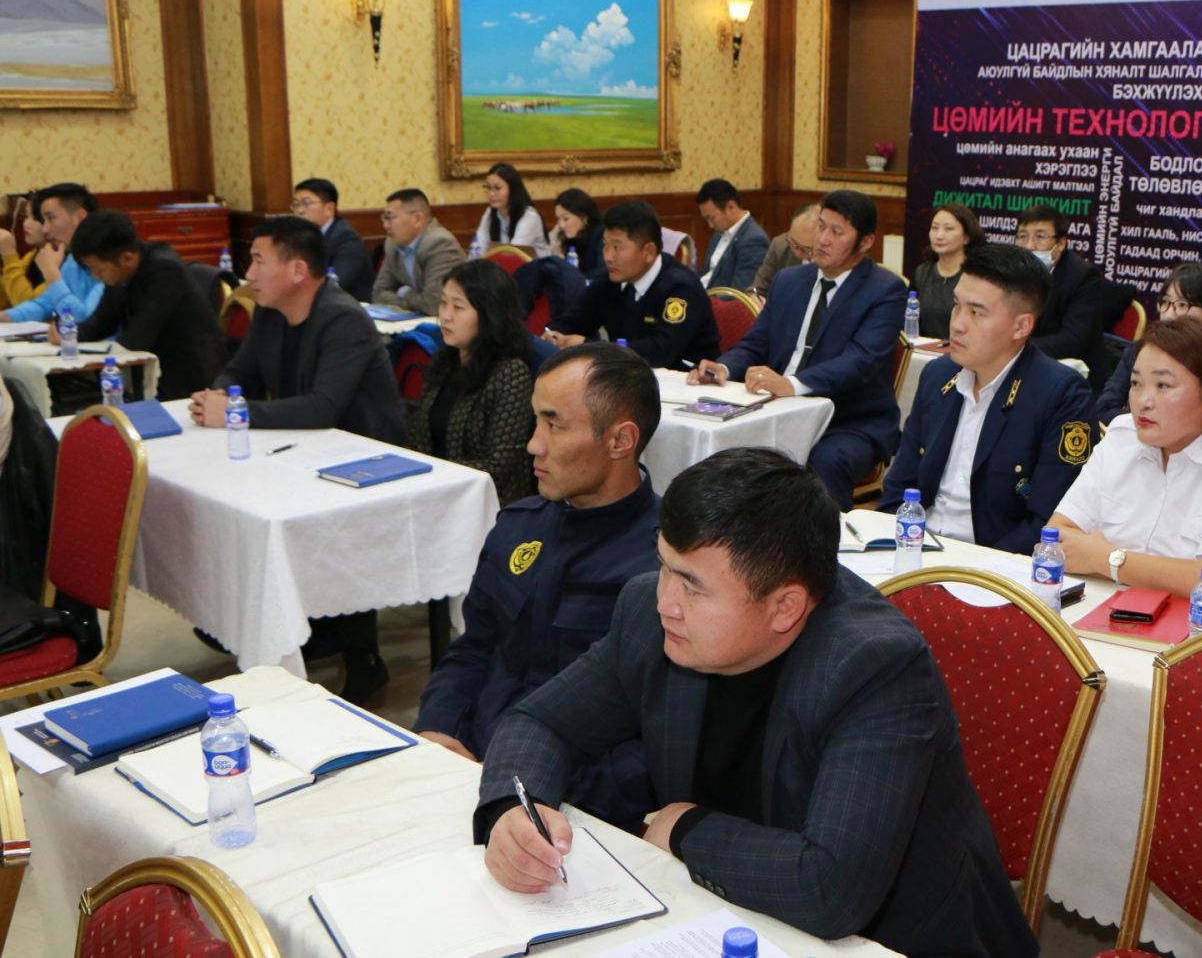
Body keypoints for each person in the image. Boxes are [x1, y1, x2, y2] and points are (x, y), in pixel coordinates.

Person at [475, 448, 1037, 957]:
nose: (666, 600)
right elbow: (541, 722)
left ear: (785, 607)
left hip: (896, 940)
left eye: (692, 586)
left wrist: (687, 829)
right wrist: (514, 812)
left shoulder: (875, 666)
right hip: (726, 915)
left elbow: (831, 889)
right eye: (664, 564)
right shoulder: (651, 615)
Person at [416, 345, 662, 823]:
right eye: (536, 421)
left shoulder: (663, 566)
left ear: (620, 440)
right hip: (466, 763)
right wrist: (437, 729)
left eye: (554, 425)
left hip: (571, 805)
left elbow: (651, 735)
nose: (533, 445)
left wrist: (524, 785)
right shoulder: (519, 526)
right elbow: (473, 649)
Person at [189, 216, 405, 703]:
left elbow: (324, 407)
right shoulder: (270, 311)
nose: (248, 274)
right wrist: (219, 395)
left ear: (297, 270)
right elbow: (239, 370)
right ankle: (274, 620)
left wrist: (237, 412)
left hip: (365, 460)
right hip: (300, 451)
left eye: (258, 261)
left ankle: (362, 657)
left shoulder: (343, 318)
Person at [1049, 315, 1202, 603]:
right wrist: (1162, 572)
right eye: (1136, 383)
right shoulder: (1122, 434)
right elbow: (1056, 539)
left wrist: (1106, 559)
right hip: (1108, 607)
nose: (1143, 401)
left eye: (1163, 386)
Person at [690, 190, 906, 510]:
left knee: (825, 460)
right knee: (719, 445)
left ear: (865, 242)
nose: (823, 239)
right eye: (821, 226)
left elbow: (861, 361)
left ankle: (825, 539)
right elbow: (756, 343)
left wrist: (792, 384)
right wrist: (724, 367)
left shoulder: (885, 290)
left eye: (837, 232)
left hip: (847, 421)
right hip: (775, 410)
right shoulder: (789, 280)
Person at [882, 245, 1094, 553]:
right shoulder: (938, 375)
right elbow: (898, 488)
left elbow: (1046, 523)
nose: (957, 324)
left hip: (993, 563)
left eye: (976, 313)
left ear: (1021, 326)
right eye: (956, 305)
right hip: (915, 546)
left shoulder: (1061, 395)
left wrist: (974, 566)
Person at [405, 260, 535, 506]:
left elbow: (498, 466)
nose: (445, 316)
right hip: (432, 494)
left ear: (489, 314)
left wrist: (433, 475)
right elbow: (416, 439)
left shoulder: (510, 373)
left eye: (458, 307)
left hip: (486, 505)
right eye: (443, 303)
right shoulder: (443, 362)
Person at [542, 201, 719, 370]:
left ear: (649, 252)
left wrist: (587, 346)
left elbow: (662, 351)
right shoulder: (611, 281)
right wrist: (553, 335)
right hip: (628, 379)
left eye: (617, 247)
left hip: (687, 383)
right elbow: (573, 320)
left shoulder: (681, 288)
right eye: (605, 245)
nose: (608, 257)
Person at [65, 211, 223, 400]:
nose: (95, 276)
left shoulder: (165, 271)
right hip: (155, 371)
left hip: (190, 378)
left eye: (98, 269)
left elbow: (137, 339)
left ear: (127, 258)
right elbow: (102, 322)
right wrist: (68, 334)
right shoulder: (121, 269)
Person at [1096, 263, 1202, 425]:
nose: (1169, 315)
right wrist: (1146, 423)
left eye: (1182, 305)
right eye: (1165, 302)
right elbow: (1104, 409)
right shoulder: (1140, 351)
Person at [1018, 203, 1109, 368]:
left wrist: (1016, 347)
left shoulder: (1083, 277)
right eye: (1022, 236)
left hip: (1072, 369)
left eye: (1040, 237)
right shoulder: (1012, 272)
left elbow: (1072, 339)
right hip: (1024, 361)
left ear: (1060, 243)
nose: (1029, 245)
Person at [0, 184, 104, 325]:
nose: (45, 229)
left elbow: (84, 321)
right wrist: (6, 316)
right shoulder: (73, 260)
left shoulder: (108, 259)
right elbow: (44, 305)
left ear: (79, 217)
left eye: (51, 218)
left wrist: (52, 274)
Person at [371, 188, 465, 316]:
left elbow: (434, 305)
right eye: (384, 218)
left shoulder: (440, 244)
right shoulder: (392, 244)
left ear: (417, 219)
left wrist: (404, 292)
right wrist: (414, 300)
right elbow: (378, 293)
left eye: (390, 218)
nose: (385, 225)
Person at [291, 178, 374, 302]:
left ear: (329, 208)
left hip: (348, 307)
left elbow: (336, 285)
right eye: (296, 204)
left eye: (306, 203)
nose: (299, 211)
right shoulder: (301, 236)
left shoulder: (347, 239)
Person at [910, 202, 983, 340]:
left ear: (966, 237)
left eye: (948, 229)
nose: (939, 235)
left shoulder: (976, 276)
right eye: (934, 228)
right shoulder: (921, 273)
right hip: (922, 349)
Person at [696, 178, 768, 290]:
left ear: (731, 207)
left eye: (712, 218)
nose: (710, 225)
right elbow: (707, 275)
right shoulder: (718, 235)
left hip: (721, 299)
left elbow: (740, 291)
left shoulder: (754, 240)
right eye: (706, 219)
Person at [475, 162, 548, 256]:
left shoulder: (530, 217)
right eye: (488, 187)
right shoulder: (489, 213)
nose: (491, 194)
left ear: (513, 189)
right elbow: (478, 249)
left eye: (497, 188)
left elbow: (512, 255)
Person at [750, 201, 819, 298]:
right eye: (794, 244)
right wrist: (754, 297)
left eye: (806, 249)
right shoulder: (780, 245)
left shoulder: (830, 258)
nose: (798, 253)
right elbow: (758, 288)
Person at [550, 187, 605, 280]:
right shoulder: (570, 239)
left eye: (566, 219)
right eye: (558, 219)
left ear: (584, 217)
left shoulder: (601, 235)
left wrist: (575, 279)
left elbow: (603, 272)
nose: (561, 225)